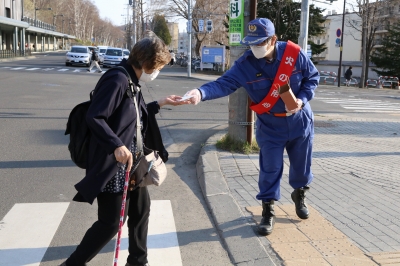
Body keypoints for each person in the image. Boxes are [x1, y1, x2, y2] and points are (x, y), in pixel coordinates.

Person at [182, 18, 319, 236]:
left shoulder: (294, 54)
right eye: (251, 44)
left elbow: (312, 78)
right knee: (270, 168)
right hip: (271, 125)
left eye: (259, 43)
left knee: (302, 165)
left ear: (273, 40)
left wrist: (302, 99)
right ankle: (268, 210)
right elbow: (223, 84)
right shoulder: (245, 65)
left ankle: (299, 193)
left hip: (299, 120)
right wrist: (200, 93)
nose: (255, 48)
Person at [60, 31, 187, 266]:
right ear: (148, 63)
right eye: (158, 66)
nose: (157, 71)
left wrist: (161, 103)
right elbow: (95, 116)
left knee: (141, 211)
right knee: (110, 223)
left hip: (133, 162)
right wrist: (116, 145)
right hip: (115, 164)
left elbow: (133, 115)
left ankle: (138, 262)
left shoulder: (131, 79)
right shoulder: (117, 79)